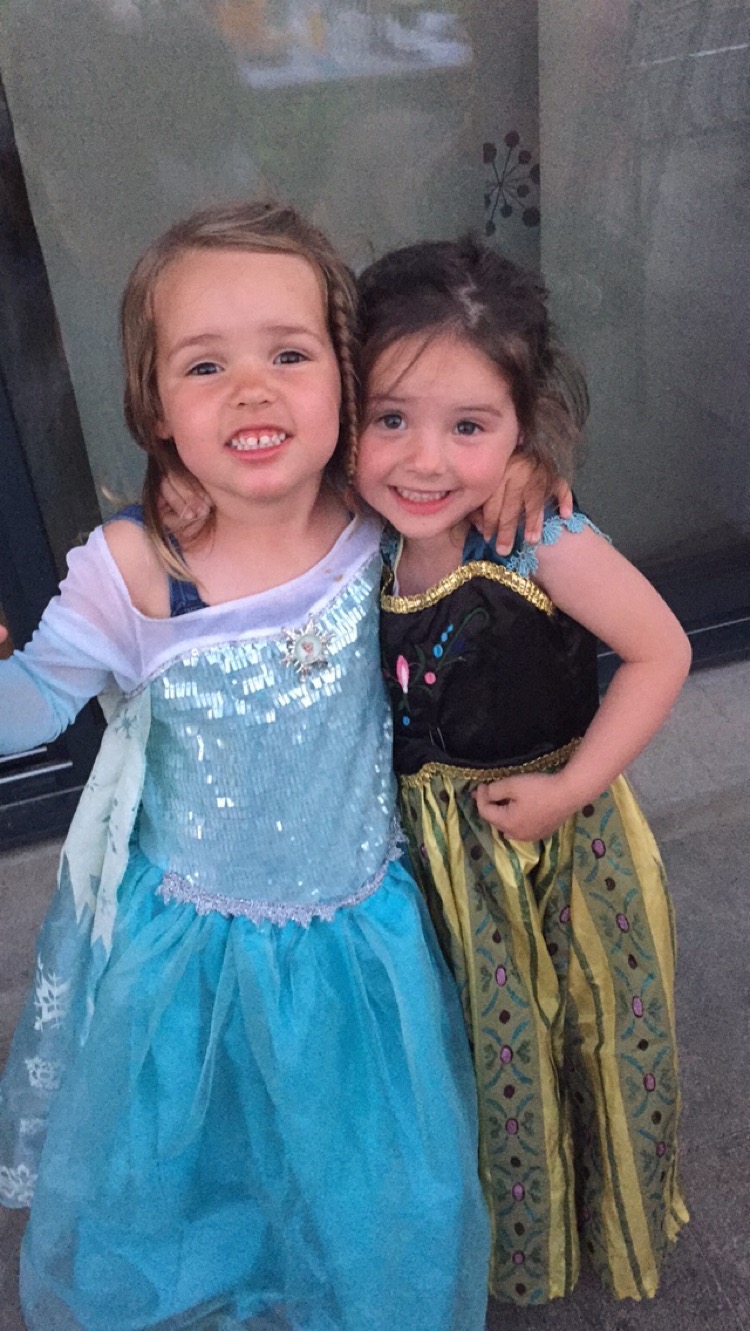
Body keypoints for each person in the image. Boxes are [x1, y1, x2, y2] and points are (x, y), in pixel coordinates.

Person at [0, 202, 495, 1331]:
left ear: (347, 381)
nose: (252, 391)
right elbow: (31, 698)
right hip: (194, 944)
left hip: (358, 924)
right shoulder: (140, 568)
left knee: (361, 1149)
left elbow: (469, 451)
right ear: (154, 406)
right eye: (205, 364)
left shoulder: (378, 510)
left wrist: (519, 470)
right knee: (196, 1139)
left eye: (289, 354)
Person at [353, 237, 692, 1306]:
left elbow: (662, 650)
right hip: (428, 867)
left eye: (470, 426)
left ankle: (586, 1231)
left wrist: (571, 789)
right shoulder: (356, 537)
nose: (424, 460)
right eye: (390, 417)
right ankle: (494, 1238)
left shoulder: (542, 539)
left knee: (583, 1035)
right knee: (478, 1063)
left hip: (553, 848)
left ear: (522, 424)